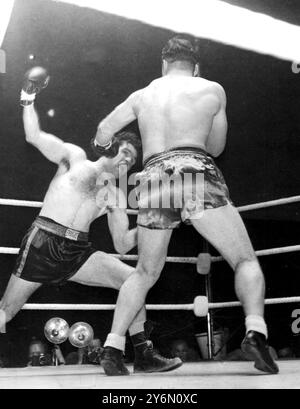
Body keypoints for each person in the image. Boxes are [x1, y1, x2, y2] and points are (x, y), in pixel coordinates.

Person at [94, 36, 279, 375]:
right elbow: (217, 146)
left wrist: (102, 145)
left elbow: (104, 130)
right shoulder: (211, 89)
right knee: (244, 259)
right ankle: (255, 331)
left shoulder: (142, 95)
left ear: (164, 63)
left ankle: (112, 347)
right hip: (194, 168)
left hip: (152, 177)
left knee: (145, 272)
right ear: (195, 66)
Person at [0, 67, 181, 375]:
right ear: (111, 147)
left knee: (132, 280)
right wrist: (28, 98)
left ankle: (142, 352)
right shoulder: (75, 157)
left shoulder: (113, 195)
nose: (126, 161)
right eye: (124, 153)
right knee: (7, 309)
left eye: (131, 160)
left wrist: (159, 220)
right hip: (45, 240)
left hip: (78, 253)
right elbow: (34, 136)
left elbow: (123, 242)